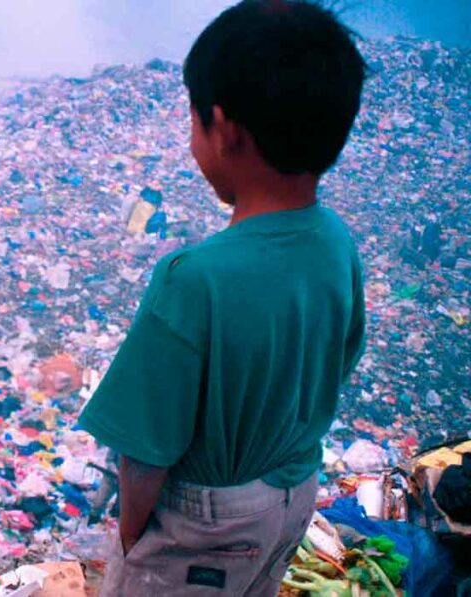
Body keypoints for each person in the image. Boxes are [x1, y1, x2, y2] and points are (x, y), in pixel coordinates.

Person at [77, 2, 367, 594]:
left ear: (224, 128)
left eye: (193, 121)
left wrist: (134, 537)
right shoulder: (336, 240)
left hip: (205, 523)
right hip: (292, 495)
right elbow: (340, 358)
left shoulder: (194, 277)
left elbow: (145, 452)